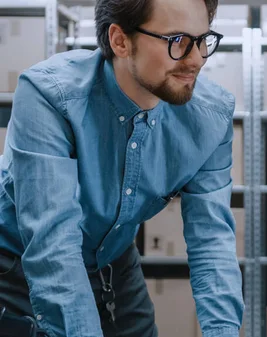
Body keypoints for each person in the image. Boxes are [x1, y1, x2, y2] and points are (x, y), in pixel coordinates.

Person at [0, 0, 244, 336]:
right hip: (18, 262)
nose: (197, 58)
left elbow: (212, 240)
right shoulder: (50, 96)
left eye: (203, 40)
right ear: (120, 41)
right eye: (178, 41)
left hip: (113, 259)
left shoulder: (211, 117)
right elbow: (52, 246)